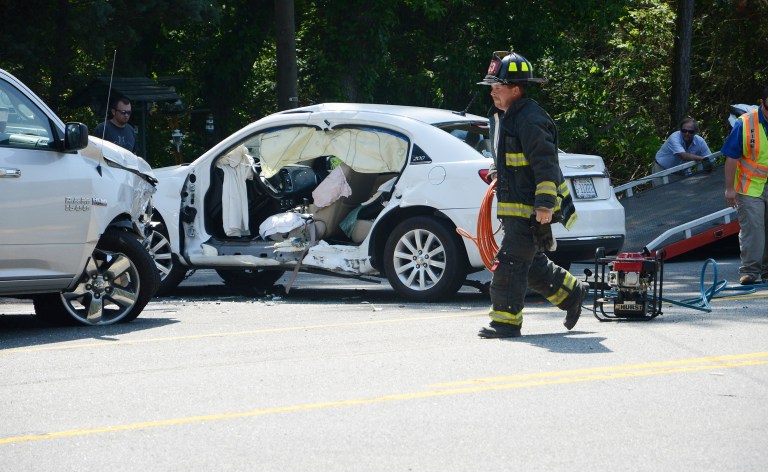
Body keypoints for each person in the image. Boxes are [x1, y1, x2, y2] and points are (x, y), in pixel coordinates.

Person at [476, 50, 590, 338]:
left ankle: (505, 322)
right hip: (515, 207)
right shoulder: (507, 116)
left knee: (511, 263)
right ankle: (572, 293)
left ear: (515, 89)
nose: (492, 94)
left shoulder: (530, 120)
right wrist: (496, 171)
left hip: (530, 208)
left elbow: (546, 165)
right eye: (491, 88)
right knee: (529, 265)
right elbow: (508, 157)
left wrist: (544, 204)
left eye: (497, 88)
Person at [721, 86, 768, 286]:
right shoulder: (746, 123)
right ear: (762, 101)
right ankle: (750, 271)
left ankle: (766, 271)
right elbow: (731, 158)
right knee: (754, 229)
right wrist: (730, 188)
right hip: (750, 187)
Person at [653, 117, 712, 185]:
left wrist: (708, 165)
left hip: (682, 171)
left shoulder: (700, 141)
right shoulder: (674, 137)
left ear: (695, 132)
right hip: (662, 170)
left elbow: (710, 158)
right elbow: (683, 156)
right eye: (684, 131)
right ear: (680, 130)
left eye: (690, 131)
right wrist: (702, 159)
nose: (687, 133)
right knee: (662, 194)